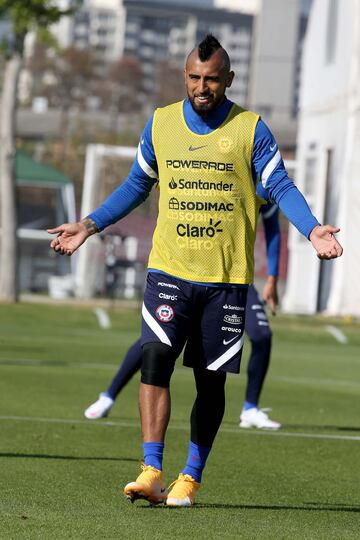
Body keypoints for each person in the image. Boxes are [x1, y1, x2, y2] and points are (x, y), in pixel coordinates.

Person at [48, 35, 343, 507]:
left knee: (211, 380)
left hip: (226, 281)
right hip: (169, 270)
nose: (201, 87)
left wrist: (311, 231)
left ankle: (191, 475)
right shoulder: (161, 123)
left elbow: (281, 186)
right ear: (185, 77)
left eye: (211, 79)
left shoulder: (251, 129)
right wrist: (88, 224)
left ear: (228, 79)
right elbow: (136, 185)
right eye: (193, 78)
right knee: (154, 361)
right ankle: (150, 470)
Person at [84, 200, 282, 430]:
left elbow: (273, 228)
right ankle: (108, 395)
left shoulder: (262, 176)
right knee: (157, 343)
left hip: (233, 281)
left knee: (261, 335)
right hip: (186, 276)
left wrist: (273, 278)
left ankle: (250, 409)